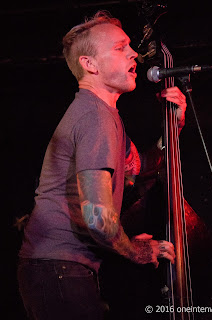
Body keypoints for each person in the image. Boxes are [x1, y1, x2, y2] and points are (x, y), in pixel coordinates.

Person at [17, 10, 187, 320]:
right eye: (120, 47)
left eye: (130, 46)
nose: (134, 52)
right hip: (58, 269)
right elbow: (97, 217)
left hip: (59, 269)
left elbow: (139, 170)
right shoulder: (95, 116)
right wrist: (135, 251)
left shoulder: (104, 115)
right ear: (90, 64)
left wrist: (172, 130)